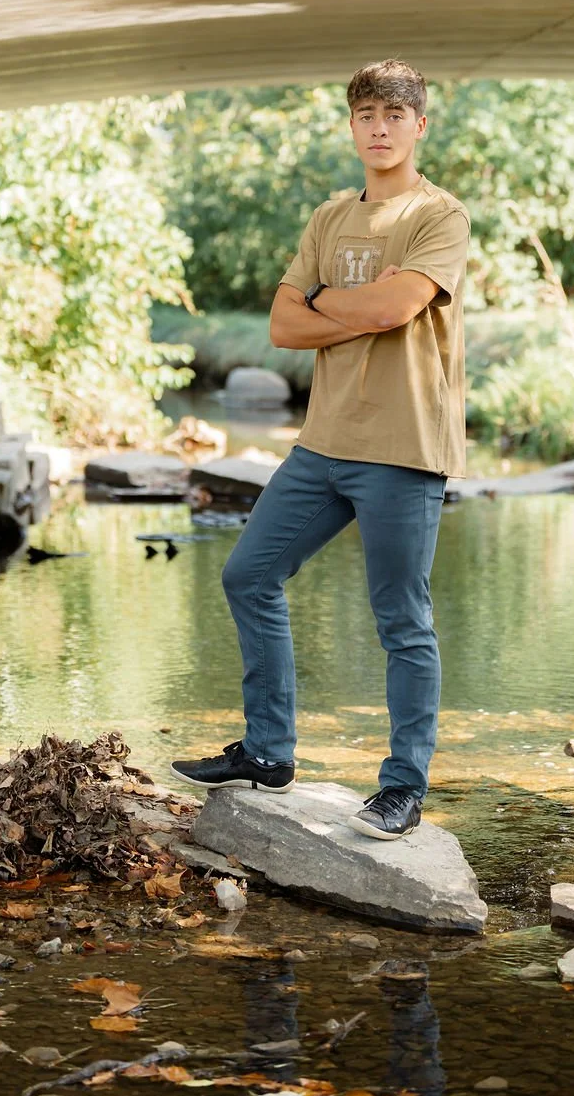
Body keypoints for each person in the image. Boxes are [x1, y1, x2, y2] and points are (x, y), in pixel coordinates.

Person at [171, 60, 470, 840]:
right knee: (248, 574)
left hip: (405, 446)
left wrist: (330, 306)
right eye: (366, 113)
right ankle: (269, 753)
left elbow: (398, 305)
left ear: (419, 126)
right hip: (325, 442)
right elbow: (282, 326)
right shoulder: (329, 217)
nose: (380, 127)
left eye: (394, 115)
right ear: (351, 126)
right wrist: (357, 312)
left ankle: (402, 790)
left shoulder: (439, 216)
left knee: (402, 620)